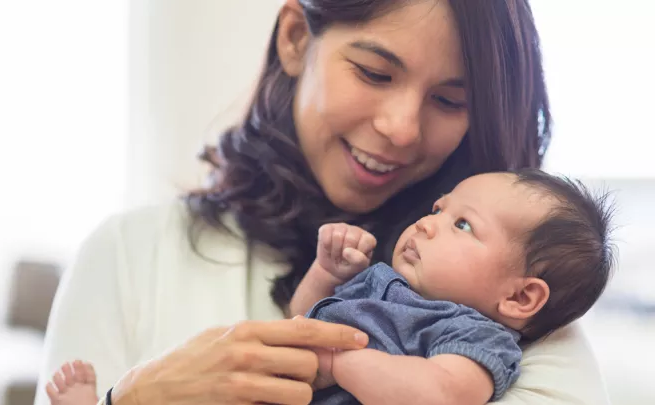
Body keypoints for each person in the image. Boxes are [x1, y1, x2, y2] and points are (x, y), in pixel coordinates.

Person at [35, 0, 612, 404]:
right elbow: (303, 324)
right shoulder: (128, 253)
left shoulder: (510, 302)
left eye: (448, 100)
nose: (402, 128)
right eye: (374, 72)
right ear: (294, 39)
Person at [292, 170, 615, 404]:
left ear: (519, 297)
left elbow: (441, 394)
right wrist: (326, 272)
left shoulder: (472, 334)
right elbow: (298, 320)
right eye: (438, 209)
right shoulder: (378, 279)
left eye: (462, 225)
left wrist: (339, 363)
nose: (425, 223)